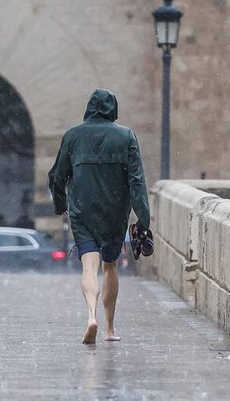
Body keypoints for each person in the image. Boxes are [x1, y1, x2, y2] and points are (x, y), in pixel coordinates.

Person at [49, 88, 150, 344]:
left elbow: (57, 176)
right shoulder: (126, 136)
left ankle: (91, 316)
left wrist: (60, 203)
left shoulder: (73, 136)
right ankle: (109, 329)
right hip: (115, 211)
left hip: (83, 209)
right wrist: (144, 218)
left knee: (89, 266)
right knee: (110, 265)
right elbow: (136, 181)